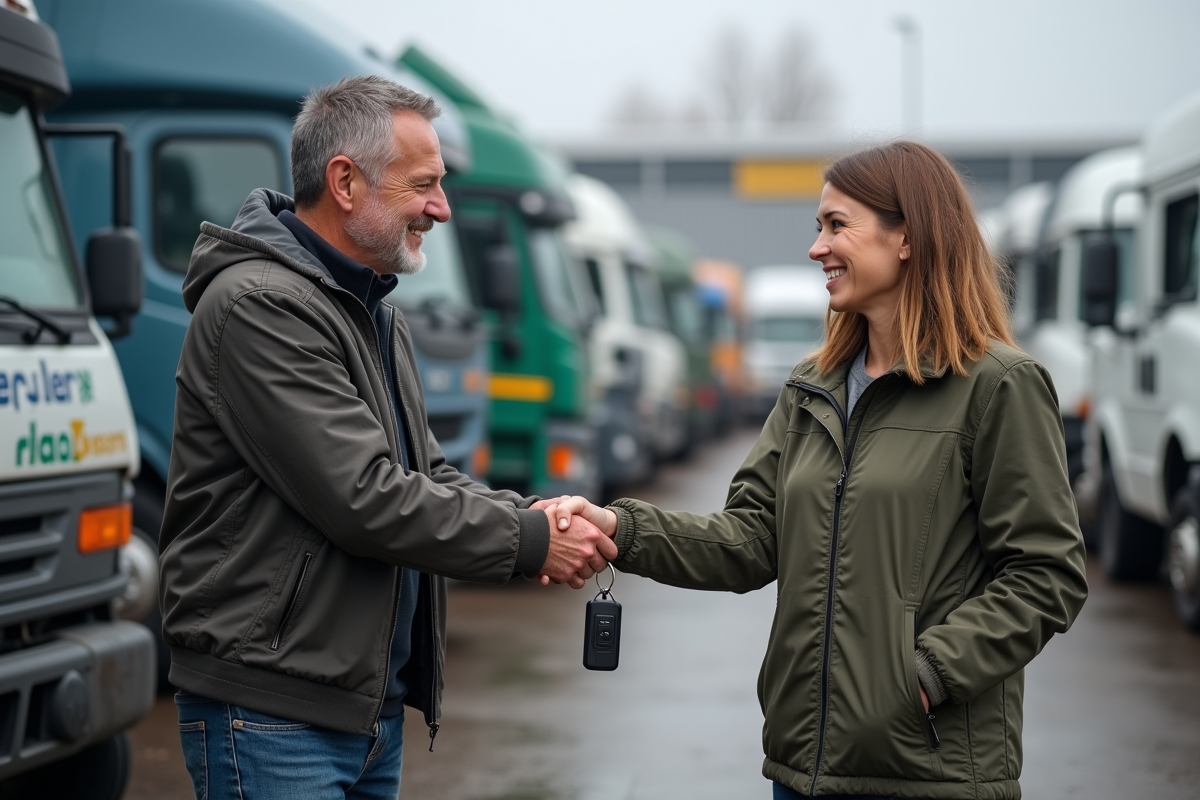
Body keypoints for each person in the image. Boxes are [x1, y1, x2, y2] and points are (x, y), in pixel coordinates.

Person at [546, 141, 1089, 800]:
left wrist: (924, 675)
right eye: (817, 227)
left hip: (930, 775)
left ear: (908, 237)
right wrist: (619, 528)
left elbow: (1045, 572)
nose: (816, 248)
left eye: (837, 226)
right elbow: (749, 539)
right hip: (801, 770)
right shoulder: (813, 386)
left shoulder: (999, 386)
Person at [158, 75, 613, 800]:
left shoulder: (371, 308)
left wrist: (536, 513)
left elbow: (423, 472)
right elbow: (363, 496)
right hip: (273, 714)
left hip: (360, 708)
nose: (442, 207)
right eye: (424, 184)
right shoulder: (261, 306)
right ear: (345, 182)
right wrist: (529, 542)